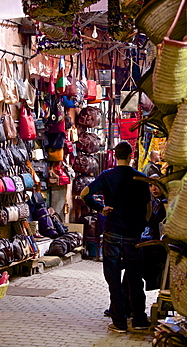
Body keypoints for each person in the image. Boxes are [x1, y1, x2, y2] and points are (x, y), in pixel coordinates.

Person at [80, 141, 151, 333]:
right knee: (135, 279)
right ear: (131, 155)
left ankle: (119, 321)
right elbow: (148, 208)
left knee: (113, 278)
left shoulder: (107, 176)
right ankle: (139, 320)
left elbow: (84, 194)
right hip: (133, 235)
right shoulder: (141, 178)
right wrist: (142, 224)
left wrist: (101, 208)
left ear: (116, 155)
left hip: (112, 233)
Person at [140, 174, 167, 291]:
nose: (153, 188)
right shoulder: (155, 202)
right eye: (151, 185)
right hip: (148, 244)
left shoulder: (166, 204)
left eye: (157, 185)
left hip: (157, 248)